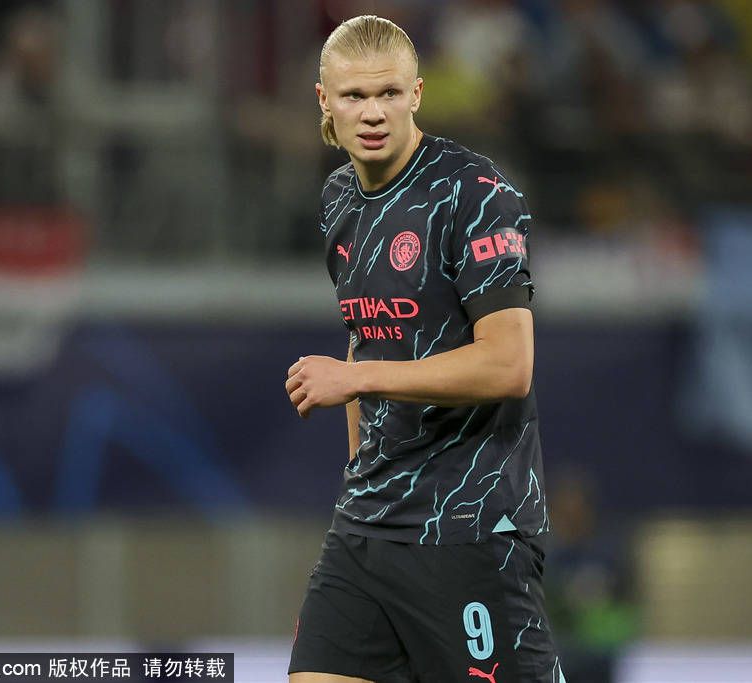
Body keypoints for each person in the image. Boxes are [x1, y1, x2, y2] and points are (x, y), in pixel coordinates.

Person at [285, 15, 562, 683]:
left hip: (467, 528)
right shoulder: (339, 200)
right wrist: (362, 474)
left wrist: (360, 380)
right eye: (354, 96)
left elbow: (508, 364)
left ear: (417, 93)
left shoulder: (472, 195)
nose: (373, 112)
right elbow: (366, 337)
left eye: (389, 93)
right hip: (369, 526)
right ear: (325, 101)